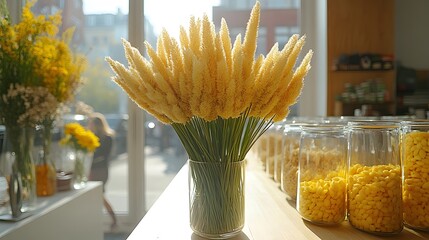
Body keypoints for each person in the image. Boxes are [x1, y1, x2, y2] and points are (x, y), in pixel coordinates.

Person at [87, 112, 117, 230]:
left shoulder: (107, 138)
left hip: (100, 170)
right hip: (94, 170)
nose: (89, 126)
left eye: (91, 124)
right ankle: (110, 220)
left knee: (99, 195)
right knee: (97, 196)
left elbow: (104, 155)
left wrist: (92, 156)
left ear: (97, 125)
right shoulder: (91, 137)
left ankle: (114, 220)